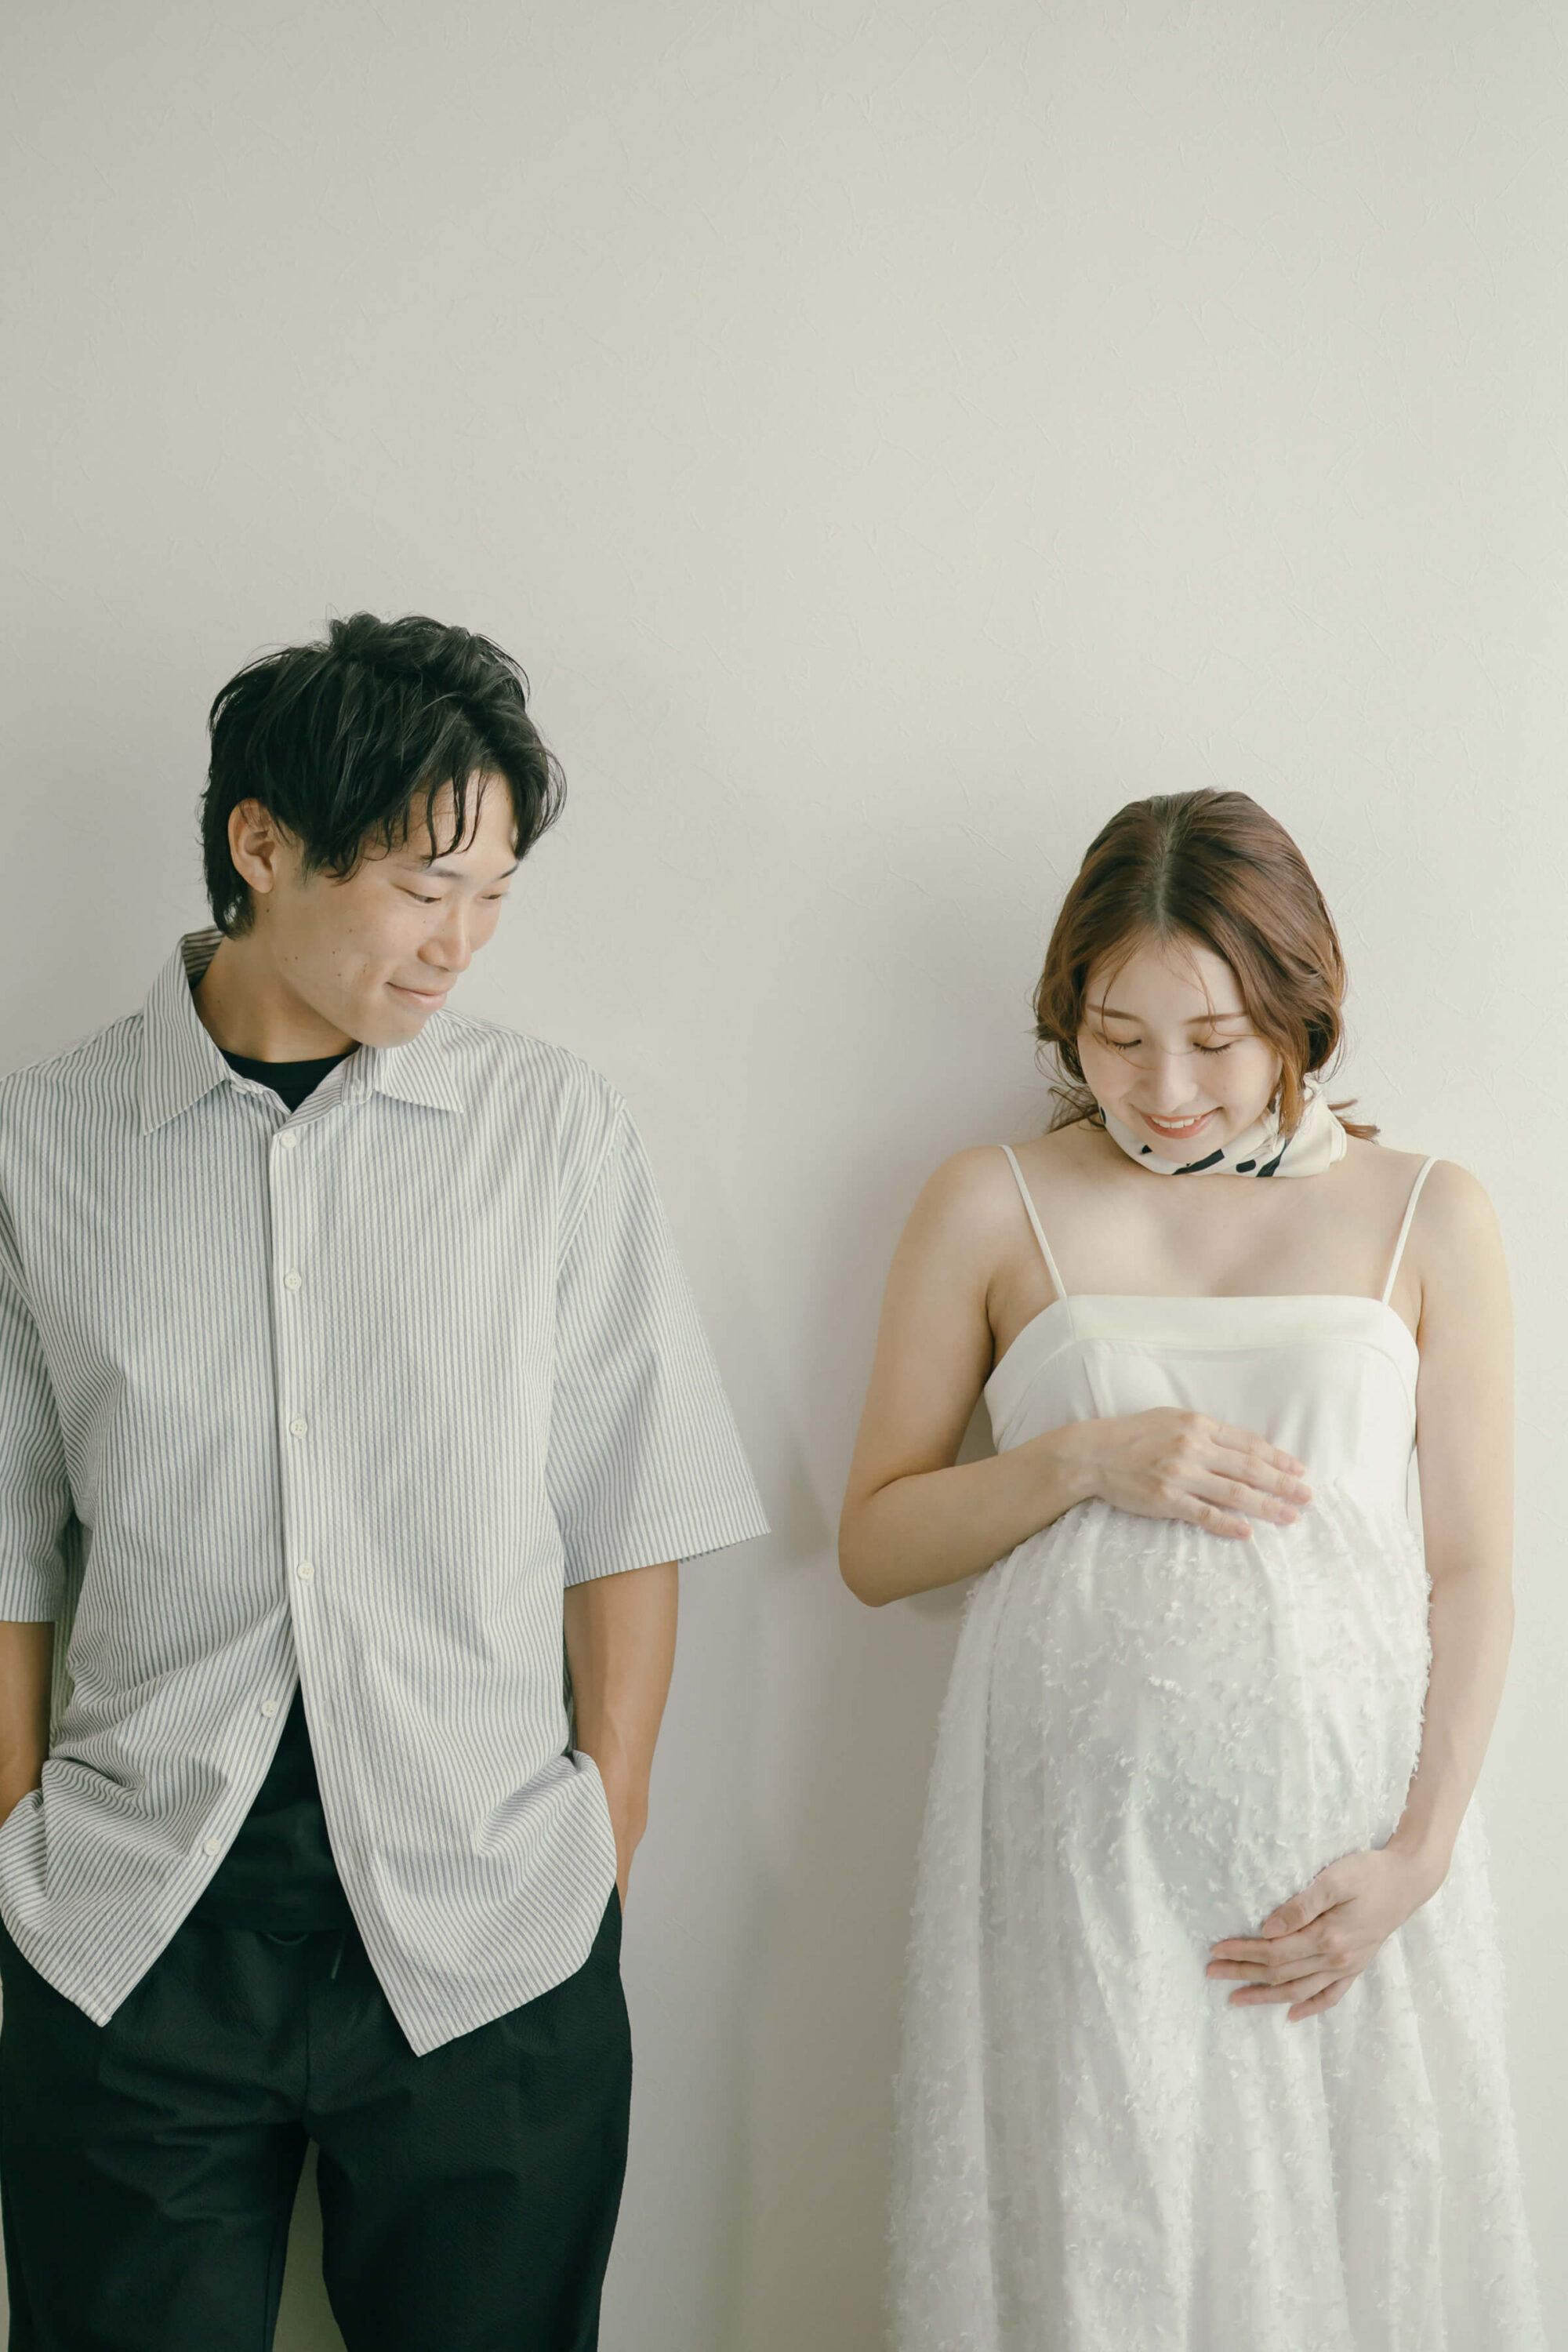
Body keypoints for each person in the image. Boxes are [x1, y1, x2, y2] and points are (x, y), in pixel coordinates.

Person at [0, 612, 768, 2352]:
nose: (459, 945)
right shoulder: (38, 1148)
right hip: (131, 1929)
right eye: (426, 889)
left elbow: (627, 1504)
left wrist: (608, 1838)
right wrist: (21, 1847)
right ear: (261, 844)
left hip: (491, 1923)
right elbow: (8, 1550)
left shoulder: (553, 1131)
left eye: (491, 895)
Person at [840, 790, 1541, 2350]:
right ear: (1066, 1018)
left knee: (1350, 2265)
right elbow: (875, 1544)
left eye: (1215, 1041)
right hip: (1081, 1877)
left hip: (1345, 1877)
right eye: (1117, 1038)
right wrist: (1081, 1461)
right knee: (1110, 2257)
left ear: (1299, 1010)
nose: (1163, 1091)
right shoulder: (989, 1201)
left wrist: (1420, 1856)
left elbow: (1477, 1567)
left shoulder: (1428, 1212)